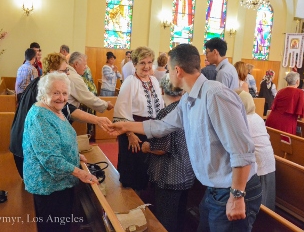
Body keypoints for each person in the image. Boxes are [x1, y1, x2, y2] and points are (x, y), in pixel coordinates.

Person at [110, 43, 261, 232]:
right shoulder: (189, 98)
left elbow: (242, 150)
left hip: (232, 189)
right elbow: (161, 126)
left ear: (177, 70)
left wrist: (237, 196)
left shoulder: (215, 95)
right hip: (215, 189)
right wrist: (124, 126)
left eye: (168, 70)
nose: (166, 74)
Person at [10, 53, 112, 179]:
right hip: (24, 151)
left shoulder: (43, 84)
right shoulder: (43, 91)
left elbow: (68, 108)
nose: (68, 73)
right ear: (53, 72)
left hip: (22, 146)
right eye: (65, 70)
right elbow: (48, 155)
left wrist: (97, 120)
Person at [22, 72, 99, 232]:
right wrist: (81, 173)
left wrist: (75, 156)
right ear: (43, 93)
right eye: (55, 92)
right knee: (54, 227)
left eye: (64, 93)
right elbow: (50, 158)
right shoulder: (40, 117)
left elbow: (57, 142)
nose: (61, 98)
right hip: (49, 187)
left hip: (61, 182)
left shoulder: (55, 109)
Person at [142, 74, 195, 232]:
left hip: (169, 176)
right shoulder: (189, 108)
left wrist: (146, 147)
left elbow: (161, 149)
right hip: (186, 172)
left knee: (166, 220)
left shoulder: (166, 113)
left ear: (162, 89)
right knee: (179, 216)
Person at [113, 46, 163, 191]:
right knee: (133, 176)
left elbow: (159, 106)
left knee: (148, 175)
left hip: (151, 130)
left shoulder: (154, 80)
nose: (146, 66)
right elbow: (120, 111)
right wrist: (130, 133)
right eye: (142, 62)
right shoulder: (130, 82)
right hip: (133, 132)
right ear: (134, 64)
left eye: (149, 62)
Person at [236, 90, 275, 211]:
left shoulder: (244, 120)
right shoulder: (256, 116)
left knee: (260, 200)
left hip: (260, 162)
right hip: (267, 158)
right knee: (266, 194)